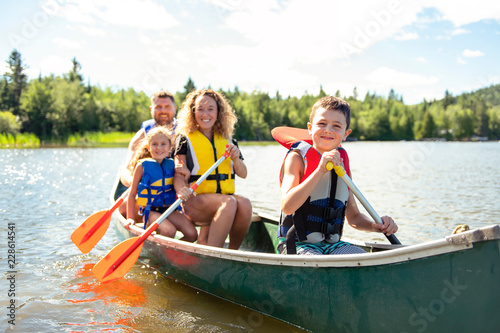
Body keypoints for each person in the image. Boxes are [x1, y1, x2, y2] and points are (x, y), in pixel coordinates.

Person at [278, 96, 398, 255]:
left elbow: (354, 218)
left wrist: (374, 226)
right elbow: (287, 205)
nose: (328, 130)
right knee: (317, 264)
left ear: (346, 133)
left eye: (336, 126)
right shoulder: (297, 159)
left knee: (363, 259)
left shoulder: (342, 164)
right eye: (321, 124)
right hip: (295, 243)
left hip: (331, 246)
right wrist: (319, 170)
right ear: (310, 128)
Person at [173, 89, 252, 249]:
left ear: (218, 112)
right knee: (229, 202)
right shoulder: (184, 139)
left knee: (245, 204)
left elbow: (243, 173)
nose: (205, 114)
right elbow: (179, 171)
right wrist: (182, 190)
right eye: (200, 109)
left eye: (210, 109)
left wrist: (236, 159)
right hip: (195, 202)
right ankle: (214, 253)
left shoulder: (229, 140)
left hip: (222, 200)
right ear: (193, 111)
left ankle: (233, 253)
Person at [126, 126, 197, 242]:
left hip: (170, 210)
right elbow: (132, 193)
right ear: (148, 147)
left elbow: (183, 187)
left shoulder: (172, 165)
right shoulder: (141, 166)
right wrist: (130, 218)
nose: (159, 148)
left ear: (170, 147)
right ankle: (162, 256)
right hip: (150, 212)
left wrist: (187, 174)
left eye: (163, 144)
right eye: (154, 144)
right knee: (169, 231)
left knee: (192, 234)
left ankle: (174, 253)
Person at [118, 90, 178, 220]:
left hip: (173, 192)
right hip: (149, 194)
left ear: (174, 109)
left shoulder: (183, 132)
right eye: (158, 107)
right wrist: (137, 183)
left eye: (167, 107)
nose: (163, 110)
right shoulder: (141, 135)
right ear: (151, 109)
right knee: (122, 207)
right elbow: (125, 171)